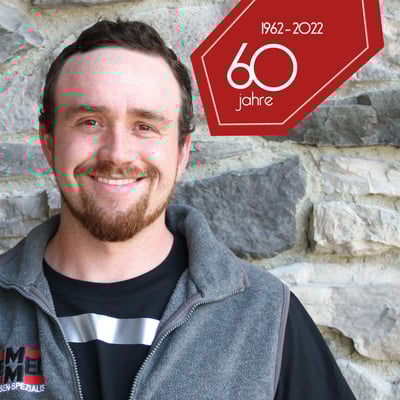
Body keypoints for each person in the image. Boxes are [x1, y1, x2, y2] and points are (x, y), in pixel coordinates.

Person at [0, 18, 357, 400]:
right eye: (90, 122)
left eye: (145, 126)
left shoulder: (266, 314)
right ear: (49, 142)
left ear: (183, 151)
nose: (117, 153)